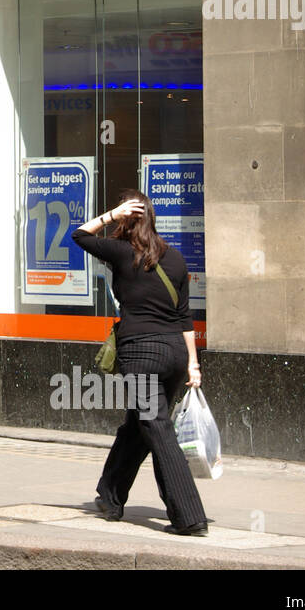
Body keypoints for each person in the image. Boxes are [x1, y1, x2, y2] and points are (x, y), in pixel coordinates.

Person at [71, 189, 208, 536]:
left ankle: (189, 517)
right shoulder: (175, 259)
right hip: (175, 355)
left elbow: (80, 235)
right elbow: (184, 317)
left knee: (158, 429)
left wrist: (110, 215)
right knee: (139, 425)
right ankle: (110, 496)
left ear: (126, 219)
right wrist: (192, 363)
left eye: (122, 215)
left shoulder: (121, 252)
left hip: (141, 355)